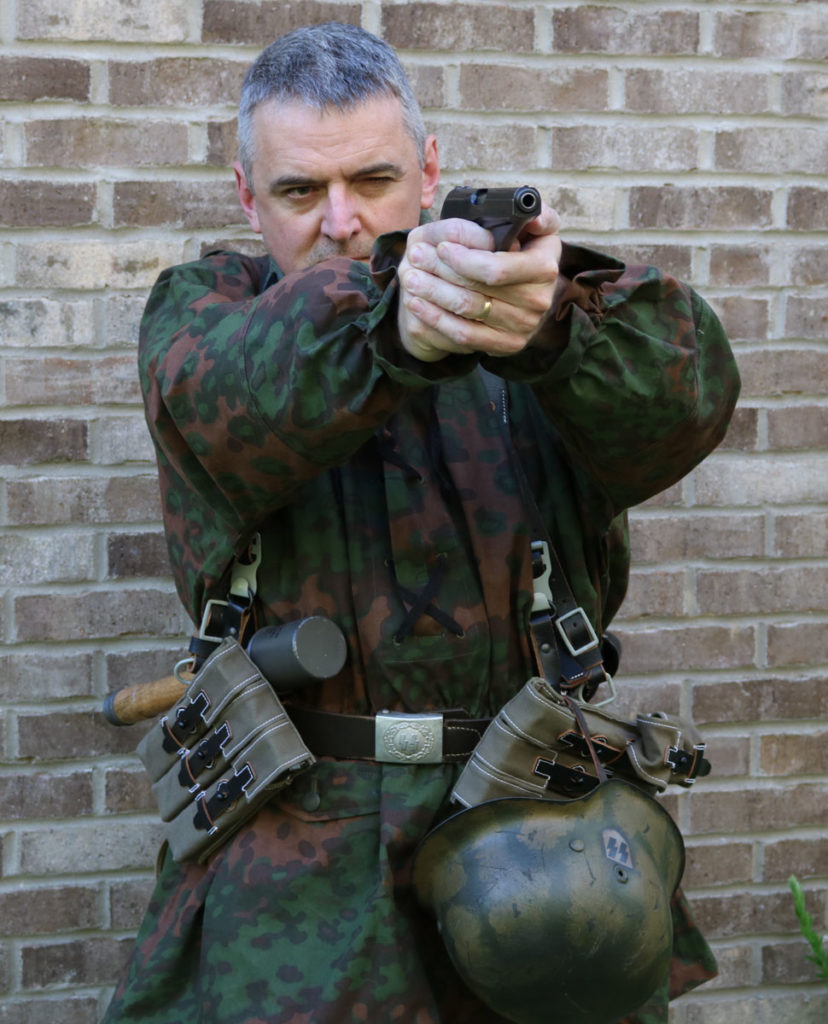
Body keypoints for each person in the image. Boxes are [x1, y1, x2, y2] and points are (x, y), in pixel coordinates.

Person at [103, 21, 739, 1024]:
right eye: (300, 191)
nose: (343, 221)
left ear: (431, 169)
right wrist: (394, 324)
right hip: (298, 867)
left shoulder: (538, 320)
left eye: (375, 178)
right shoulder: (208, 316)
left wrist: (552, 326)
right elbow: (219, 401)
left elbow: (691, 393)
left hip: (539, 838)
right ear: (245, 195)